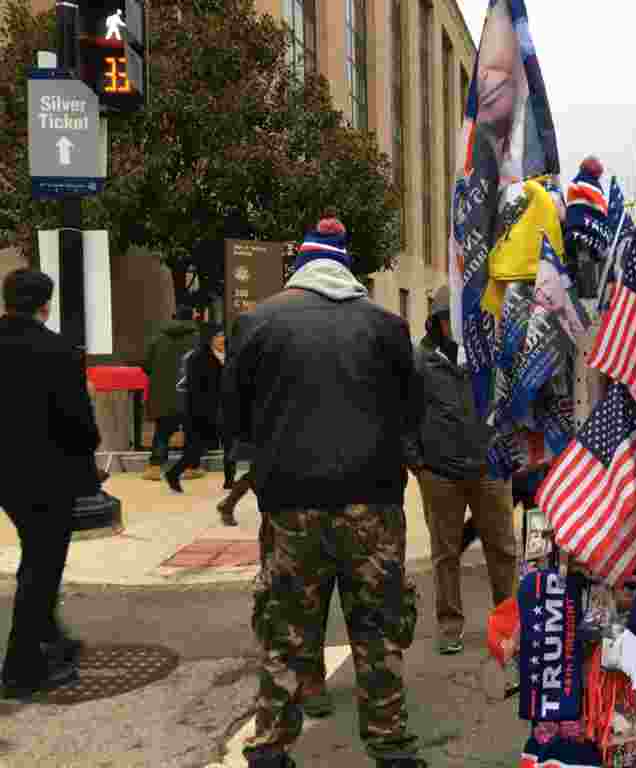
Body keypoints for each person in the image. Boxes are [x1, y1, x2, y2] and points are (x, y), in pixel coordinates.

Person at [223, 215, 425, 768]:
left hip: (290, 509)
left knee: (285, 634)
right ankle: (391, 748)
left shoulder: (258, 323)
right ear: (345, 265)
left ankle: (270, 750)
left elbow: (234, 421)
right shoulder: (387, 328)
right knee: (379, 632)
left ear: (300, 266)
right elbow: (412, 414)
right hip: (374, 507)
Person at [0, 269, 99, 697]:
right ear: (46, 304)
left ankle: (52, 638)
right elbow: (78, 423)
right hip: (46, 475)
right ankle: (21, 669)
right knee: (42, 567)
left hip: (6, 474)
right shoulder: (57, 351)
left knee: (35, 557)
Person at [405, 287, 518, 656]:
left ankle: (509, 625)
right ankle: (449, 626)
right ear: (436, 322)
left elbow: (511, 402)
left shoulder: (491, 357)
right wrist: (417, 464)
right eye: (447, 317)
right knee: (445, 554)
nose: (454, 325)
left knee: (501, 550)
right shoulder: (420, 362)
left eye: (462, 317)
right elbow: (402, 415)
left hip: (489, 468)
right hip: (441, 475)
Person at [164, 324, 236, 496]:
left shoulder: (231, 356)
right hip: (201, 412)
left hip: (226, 409)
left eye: (223, 335)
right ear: (209, 339)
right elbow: (194, 389)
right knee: (194, 451)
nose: (222, 339)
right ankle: (173, 474)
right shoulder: (197, 358)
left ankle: (229, 482)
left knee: (230, 447)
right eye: (218, 336)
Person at [141, 306, 203, 481]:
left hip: (163, 394)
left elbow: (146, 365)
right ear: (192, 318)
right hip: (190, 393)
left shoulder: (158, 339)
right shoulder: (198, 339)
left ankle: (154, 468)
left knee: (162, 431)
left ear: (173, 318)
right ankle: (191, 467)